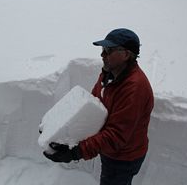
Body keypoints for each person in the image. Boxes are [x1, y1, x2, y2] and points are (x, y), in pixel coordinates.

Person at [43, 28, 154, 185]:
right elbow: (91, 107)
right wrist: (58, 130)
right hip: (111, 151)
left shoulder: (134, 88)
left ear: (127, 54)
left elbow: (116, 136)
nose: (102, 55)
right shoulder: (110, 74)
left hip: (123, 157)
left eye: (109, 50)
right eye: (103, 49)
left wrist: (75, 152)